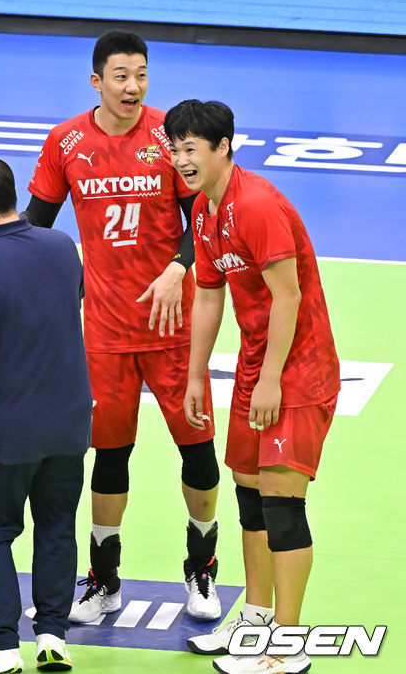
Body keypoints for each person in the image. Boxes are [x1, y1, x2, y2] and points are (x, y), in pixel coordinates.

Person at [25, 30, 222, 624]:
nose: (132, 87)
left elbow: (203, 215)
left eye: (141, 74)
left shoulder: (169, 137)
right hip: (105, 334)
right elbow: (37, 225)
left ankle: (202, 573)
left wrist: (177, 266)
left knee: (201, 455)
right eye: (120, 76)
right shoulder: (66, 142)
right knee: (110, 458)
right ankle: (104, 581)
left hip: (174, 328)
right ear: (96, 82)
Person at [164, 99, 339, 674]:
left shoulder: (256, 205)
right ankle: (257, 621)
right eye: (176, 147)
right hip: (256, 364)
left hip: (298, 368)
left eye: (192, 148)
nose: (182, 159)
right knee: (248, 495)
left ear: (224, 149)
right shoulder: (204, 209)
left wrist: (270, 382)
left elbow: (287, 296)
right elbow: (210, 295)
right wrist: (194, 373)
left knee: (283, 505)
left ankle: (288, 647)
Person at [0, 156, 91, 673]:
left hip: (3, 429)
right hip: (69, 422)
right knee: (56, 528)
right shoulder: (62, 247)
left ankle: (2, 645)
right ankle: (53, 635)